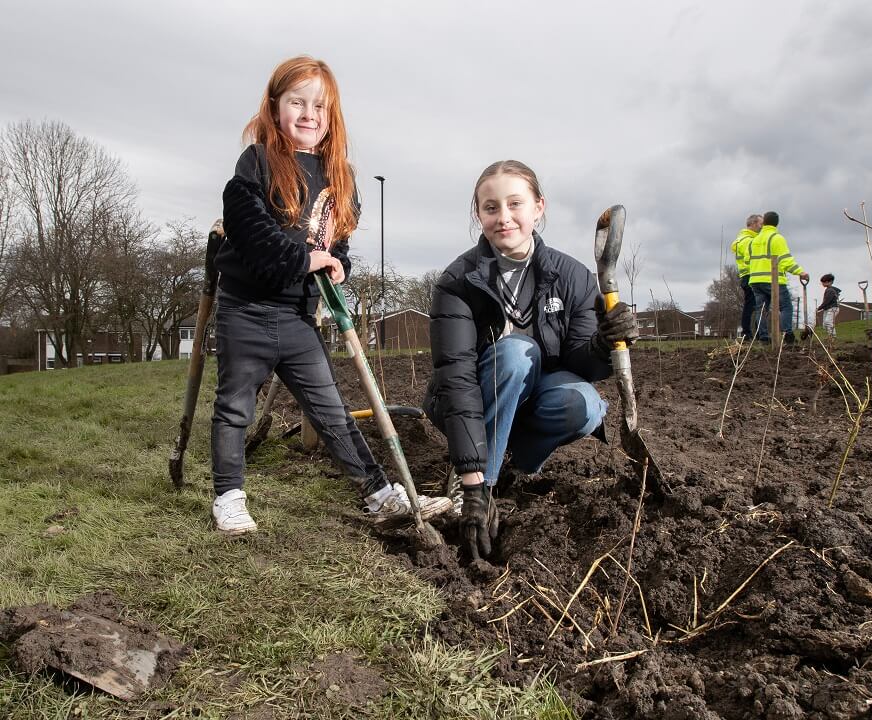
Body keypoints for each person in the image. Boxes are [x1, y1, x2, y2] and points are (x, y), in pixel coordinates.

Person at [210, 55, 451, 534]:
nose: (308, 114)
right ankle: (229, 497)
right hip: (246, 310)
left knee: (332, 412)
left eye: (319, 106)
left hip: (299, 316)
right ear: (274, 107)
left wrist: (339, 263)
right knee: (235, 406)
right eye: (296, 102)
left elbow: (336, 237)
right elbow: (249, 228)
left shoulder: (339, 175)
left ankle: (381, 495)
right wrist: (303, 260)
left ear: (332, 114)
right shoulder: (256, 162)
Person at [424, 160, 638, 560]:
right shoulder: (457, 282)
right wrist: (475, 487)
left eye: (515, 204)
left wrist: (605, 344)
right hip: (472, 400)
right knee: (517, 354)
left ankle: (515, 465)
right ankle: (479, 475)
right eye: (491, 208)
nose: (503, 218)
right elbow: (456, 378)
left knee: (585, 405)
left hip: (535, 399)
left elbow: (580, 363)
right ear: (478, 215)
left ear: (538, 207)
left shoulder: (571, 275)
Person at [747, 211, 809, 344]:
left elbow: (748, 260)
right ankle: (788, 334)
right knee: (786, 306)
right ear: (777, 223)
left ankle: (763, 337)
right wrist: (800, 272)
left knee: (761, 309)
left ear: (764, 223)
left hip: (755, 280)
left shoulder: (754, 240)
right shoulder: (777, 238)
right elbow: (786, 260)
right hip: (773, 280)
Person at [731, 214, 763, 339]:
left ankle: (752, 332)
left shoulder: (744, 239)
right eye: (761, 224)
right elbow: (751, 259)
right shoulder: (748, 240)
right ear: (754, 224)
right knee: (754, 305)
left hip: (748, 275)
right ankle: (749, 333)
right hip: (751, 275)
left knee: (754, 305)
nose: (762, 227)